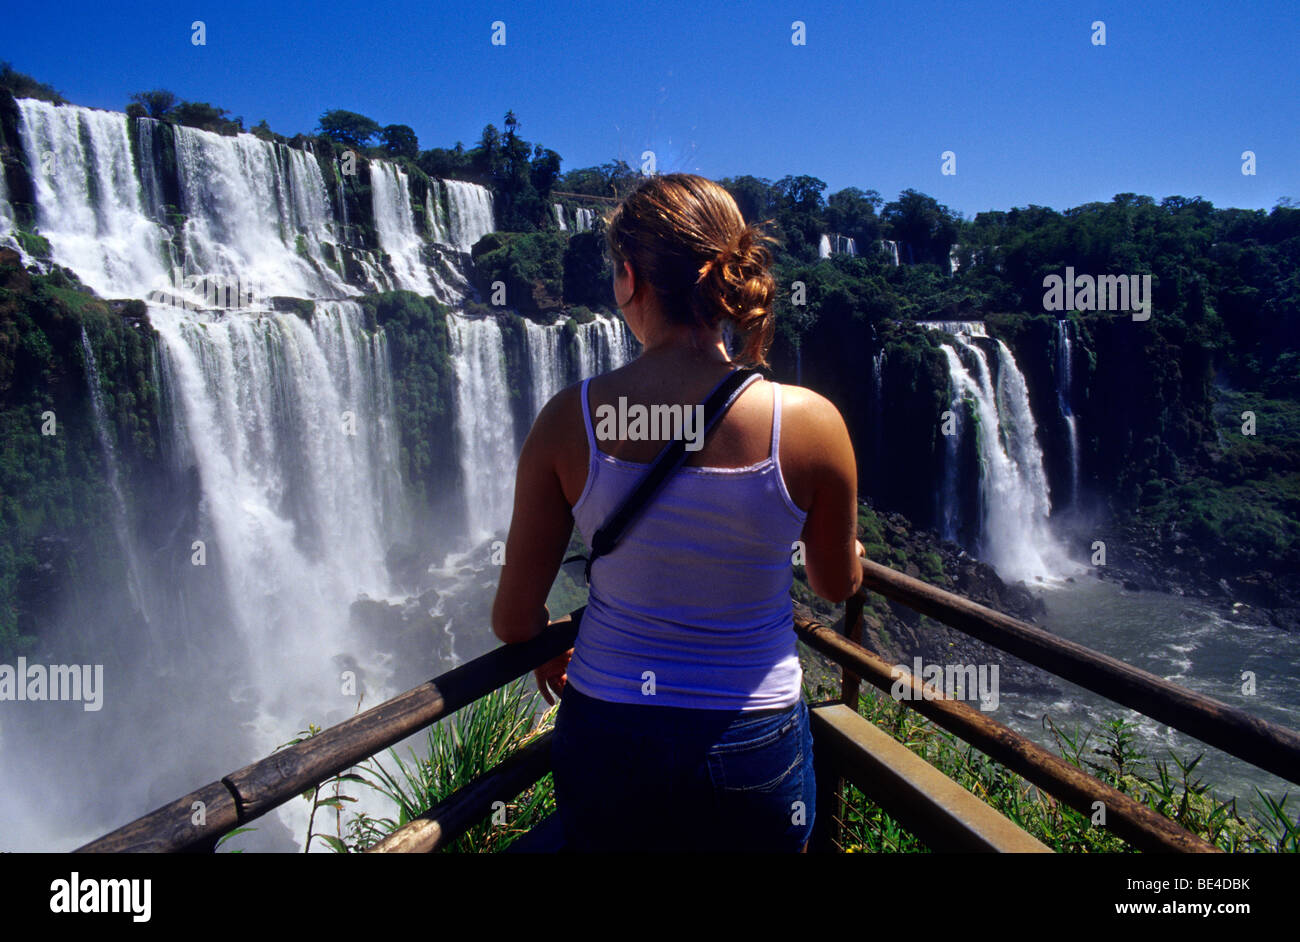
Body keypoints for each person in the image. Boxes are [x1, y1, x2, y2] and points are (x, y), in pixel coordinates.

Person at [491, 173, 862, 852]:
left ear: (628, 279)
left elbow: (513, 619)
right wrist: (847, 554)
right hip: (752, 740)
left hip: (607, 734)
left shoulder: (567, 421)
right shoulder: (811, 424)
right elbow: (836, 586)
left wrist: (552, 641)